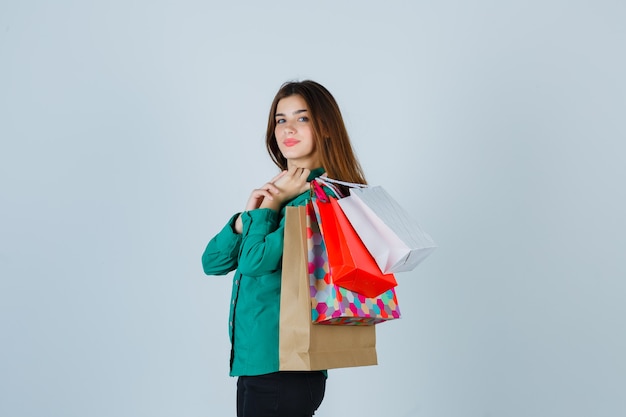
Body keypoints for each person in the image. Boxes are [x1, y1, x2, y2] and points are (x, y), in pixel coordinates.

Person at [201, 80, 367, 417]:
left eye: (302, 118)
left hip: (286, 367)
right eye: (280, 119)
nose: (288, 128)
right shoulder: (282, 197)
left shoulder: (320, 202)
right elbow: (213, 262)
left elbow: (252, 263)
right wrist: (246, 216)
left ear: (326, 128)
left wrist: (268, 210)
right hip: (256, 363)